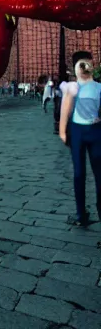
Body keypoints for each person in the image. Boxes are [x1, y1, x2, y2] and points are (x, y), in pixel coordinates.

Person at [59, 51, 101, 226]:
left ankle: (81, 214)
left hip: (84, 132)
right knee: (86, 174)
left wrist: (62, 131)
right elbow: (64, 110)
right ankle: (82, 213)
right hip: (89, 131)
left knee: (83, 174)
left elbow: (63, 111)